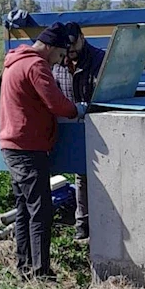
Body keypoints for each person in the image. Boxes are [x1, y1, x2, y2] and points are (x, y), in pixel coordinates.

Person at [0, 21, 86, 281]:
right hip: (28, 147)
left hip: (13, 145)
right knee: (41, 210)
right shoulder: (36, 65)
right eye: (60, 55)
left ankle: (24, 268)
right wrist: (77, 109)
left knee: (25, 208)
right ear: (49, 47)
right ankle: (41, 273)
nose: (59, 62)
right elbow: (56, 103)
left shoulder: (15, 61)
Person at [51, 22, 106, 241]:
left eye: (74, 46)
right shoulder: (59, 62)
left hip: (97, 123)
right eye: (67, 47)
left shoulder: (99, 60)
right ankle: (82, 224)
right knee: (80, 174)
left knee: (96, 176)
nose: (70, 51)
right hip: (71, 123)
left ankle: (101, 223)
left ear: (83, 38)